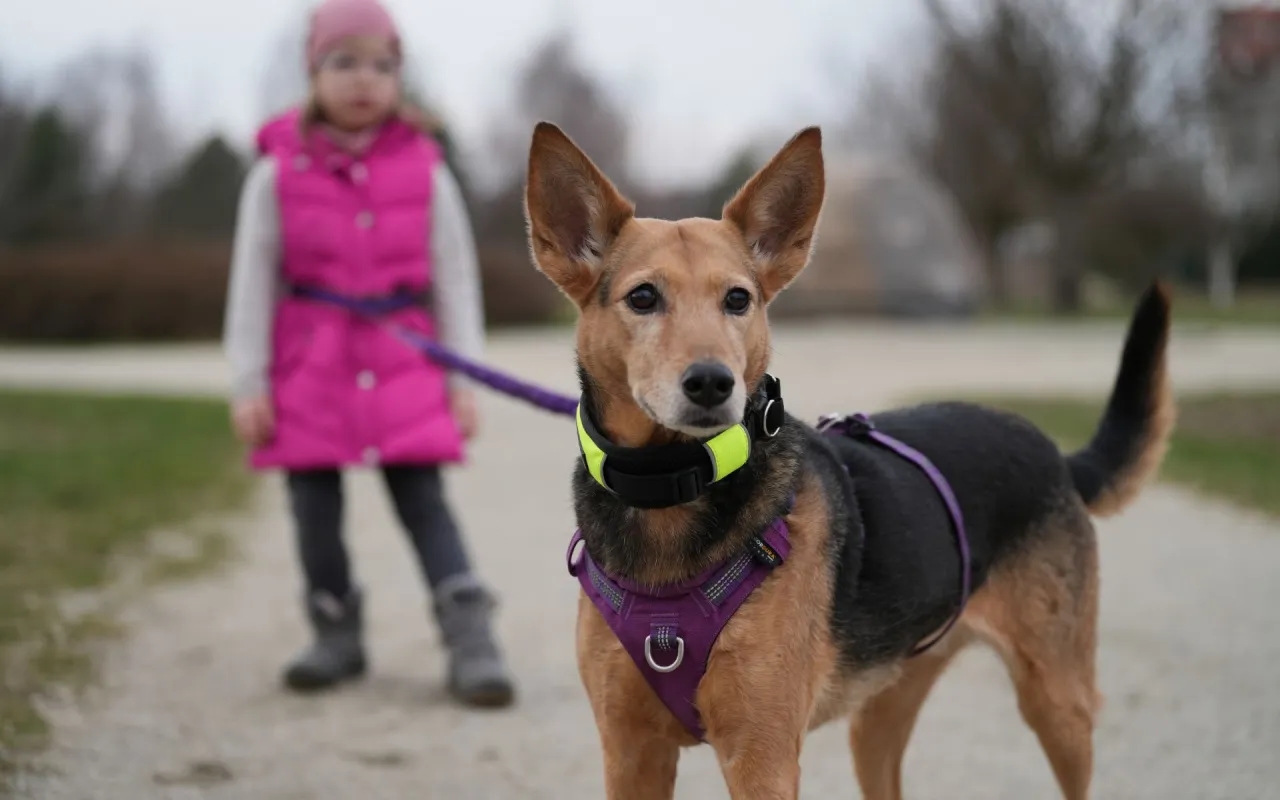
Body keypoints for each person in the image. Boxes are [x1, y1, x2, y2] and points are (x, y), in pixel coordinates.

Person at [222, 0, 514, 708]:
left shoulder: (425, 168)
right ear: (313, 71)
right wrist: (248, 381)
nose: (364, 80)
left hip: (402, 360)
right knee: (312, 505)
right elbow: (252, 279)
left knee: (424, 498)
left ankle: (469, 634)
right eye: (343, 62)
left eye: (382, 65)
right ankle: (334, 632)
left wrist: (461, 375)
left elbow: (454, 278)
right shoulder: (275, 172)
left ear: (399, 76)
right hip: (310, 365)